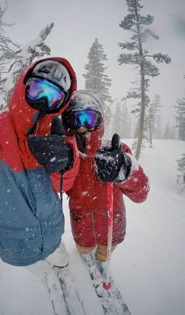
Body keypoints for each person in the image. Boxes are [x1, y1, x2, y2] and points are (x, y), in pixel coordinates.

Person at [0, 57, 80, 270]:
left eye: (53, 97)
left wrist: (67, 161)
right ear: (23, 87)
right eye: (38, 90)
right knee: (36, 277)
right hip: (17, 247)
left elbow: (61, 185)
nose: (43, 102)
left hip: (54, 233)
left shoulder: (54, 135)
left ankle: (60, 269)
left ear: (61, 104)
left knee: (62, 262)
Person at [61, 90, 149, 295]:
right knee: (84, 253)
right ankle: (87, 268)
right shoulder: (67, 154)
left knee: (105, 255)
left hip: (112, 229)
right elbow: (59, 188)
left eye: (88, 118)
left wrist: (124, 169)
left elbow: (142, 193)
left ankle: (103, 268)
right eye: (75, 119)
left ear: (99, 120)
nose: (82, 126)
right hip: (81, 229)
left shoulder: (115, 151)